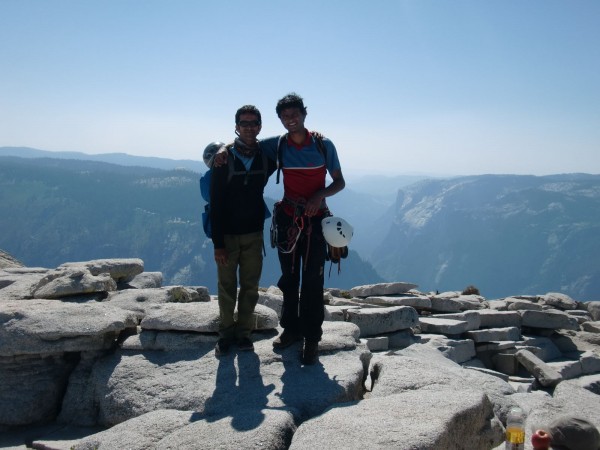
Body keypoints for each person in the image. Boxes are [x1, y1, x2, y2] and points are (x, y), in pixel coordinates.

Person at [262, 93, 345, 365]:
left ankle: (312, 339)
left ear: (304, 115)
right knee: (289, 278)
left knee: (311, 281)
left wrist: (319, 195)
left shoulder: (323, 145)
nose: (290, 120)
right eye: (285, 116)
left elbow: (339, 182)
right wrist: (225, 150)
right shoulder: (278, 145)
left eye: (294, 114)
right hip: (288, 217)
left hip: (315, 222)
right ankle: (291, 330)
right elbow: (247, 146)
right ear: (281, 120)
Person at [210, 104, 276, 357]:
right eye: (244, 123)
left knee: (250, 286)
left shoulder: (266, 157)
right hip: (226, 235)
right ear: (236, 127)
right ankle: (226, 336)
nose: (249, 127)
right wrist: (218, 243)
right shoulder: (223, 159)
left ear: (260, 127)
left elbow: (288, 141)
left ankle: (244, 335)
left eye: (253, 123)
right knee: (226, 286)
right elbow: (215, 202)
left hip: (253, 233)